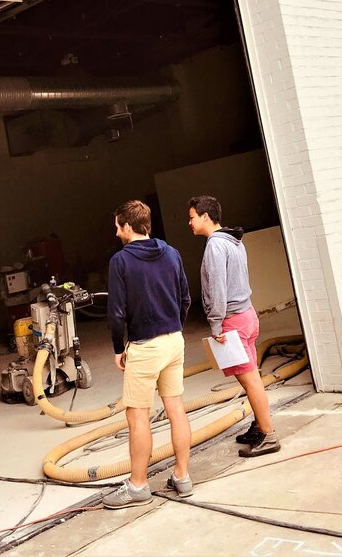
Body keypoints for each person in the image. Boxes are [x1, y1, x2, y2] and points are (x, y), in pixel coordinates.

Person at [102, 200, 194, 509]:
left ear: (128, 226)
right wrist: (174, 328)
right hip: (174, 341)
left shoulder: (121, 261)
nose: (116, 233)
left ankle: (138, 486)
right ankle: (182, 476)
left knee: (137, 416)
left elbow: (116, 312)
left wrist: (118, 348)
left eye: (118, 227)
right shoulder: (172, 253)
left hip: (144, 346)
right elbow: (185, 297)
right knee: (176, 409)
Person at [188, 194, 280, 457]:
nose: (190, 223)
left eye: (192, 217)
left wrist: (215, 324)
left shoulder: (216, 246)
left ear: (206, 216)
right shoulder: (233, 241)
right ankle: (260, 426)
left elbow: (217, 288)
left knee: (250, 380)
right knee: (252, 378)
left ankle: (269, 435)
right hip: (247, 314)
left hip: (233, 322)